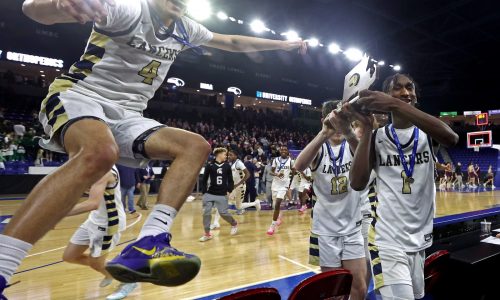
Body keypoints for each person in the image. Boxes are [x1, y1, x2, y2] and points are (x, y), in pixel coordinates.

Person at [1, 0, 307, 293]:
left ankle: (150, 241)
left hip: (128, 114)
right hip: (80, 96)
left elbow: (232, 42)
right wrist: (57, 6)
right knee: (100, 153)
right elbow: (31, 9)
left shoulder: (187, 28)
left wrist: (283, 45)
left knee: (195, 146)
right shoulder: (129, 9)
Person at [349, 74, 458, 299]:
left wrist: (394, 104)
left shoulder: (428, 131)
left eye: (410, 88)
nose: (406, 92)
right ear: (384, 96)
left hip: (419, 238)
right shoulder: (378, 136)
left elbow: (451, 138)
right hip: (385, 238)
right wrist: (367, 128)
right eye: (397, 89)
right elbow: (357, 183)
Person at [295, 100, 370, 300]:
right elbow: (299, 165)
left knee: (359, 287)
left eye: (344, 120)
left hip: (352, 226)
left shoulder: (352, 144)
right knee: (334, 292)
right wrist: (324, 133)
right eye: (335, 121)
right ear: (324, 120)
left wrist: (347, 131)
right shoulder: (319, 146)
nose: (338, 126)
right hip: (325, 229)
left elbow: (366, 157)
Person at [62, 166, 138, 299]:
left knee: (96, 263)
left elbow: (92, 203)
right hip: (93, 219)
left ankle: (128, 279)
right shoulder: (95, 165)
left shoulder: (105, 171)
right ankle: (110, 272)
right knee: (70, 256)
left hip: (108, 223)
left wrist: (58, 213)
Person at [199, 148, 237, 242]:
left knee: (223, 213)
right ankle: (207, 234)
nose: (226, 156)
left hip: (222, 194)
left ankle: (234, 223)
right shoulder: (209, 165)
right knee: (206, 213)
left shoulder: (227, 166)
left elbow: (231, 180)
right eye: (225, 154)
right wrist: (204, 192)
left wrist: (229, 190)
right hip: (210, 193)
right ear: (219, 154)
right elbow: (204, 180)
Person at [267, 146, 295, 235]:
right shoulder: (275, 160)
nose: (283, 151)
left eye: (285, 150)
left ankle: (272, 226)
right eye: (282, 150)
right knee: (275, 205)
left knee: (278, 202)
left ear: (287, 152)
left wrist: (290, 180)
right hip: (275, 184)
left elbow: (294, 171)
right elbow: (270, 172)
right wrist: (276, 174)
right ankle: (279, 216)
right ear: (280, 151)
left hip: (284, 185)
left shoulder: (291, 161)